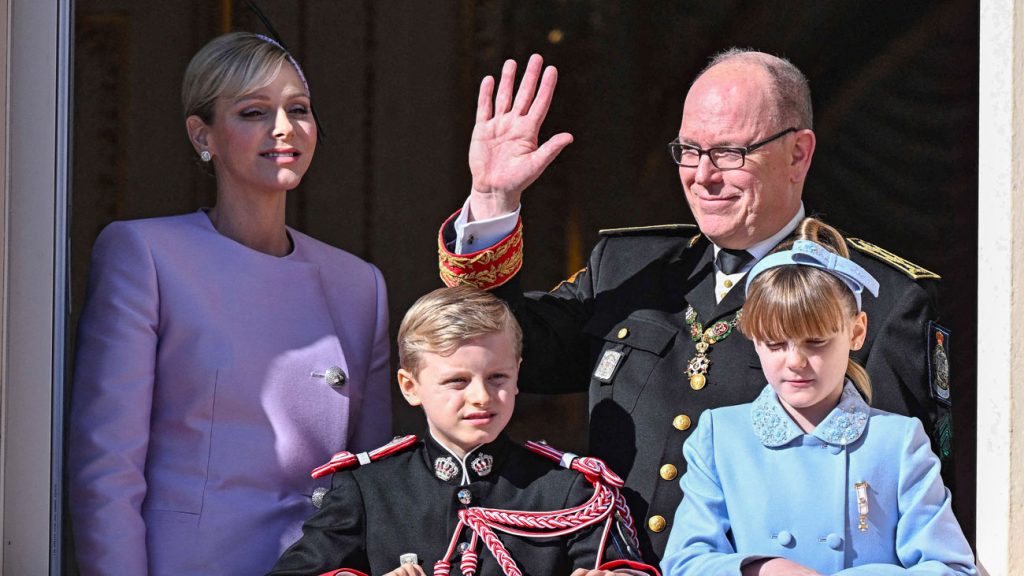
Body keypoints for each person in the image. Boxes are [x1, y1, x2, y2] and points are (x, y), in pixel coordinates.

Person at [435, 49, 950, 562]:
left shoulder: (875, 299)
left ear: (798, 153)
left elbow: (899, 504)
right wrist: (492, 200)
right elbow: (500, 350)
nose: (702, 175)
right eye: (688, 150)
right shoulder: (628, 267)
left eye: (729, 152)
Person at [68, 32, 391, 576]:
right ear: (203, 135)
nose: (283, 128)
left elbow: (377, 480)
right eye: (253, 112)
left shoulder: (360, 284)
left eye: (299, 109)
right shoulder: (146, 254)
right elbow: (107, 470)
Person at [269, 286, 657, 576]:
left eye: (497, 377)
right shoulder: (370, 489)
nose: (481, 397)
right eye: (457, 381)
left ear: (518, 375)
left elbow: (623, 567)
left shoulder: (568, 491)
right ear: (410, 386)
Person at [659, 219, 975, 575]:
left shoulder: (898, 442)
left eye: (816, 342)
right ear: (753, 339)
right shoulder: (721, 436)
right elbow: (684, 563)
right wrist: (765, 569)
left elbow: (952, 568)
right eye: (776, 343)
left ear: (857, 332)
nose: (795, 361)